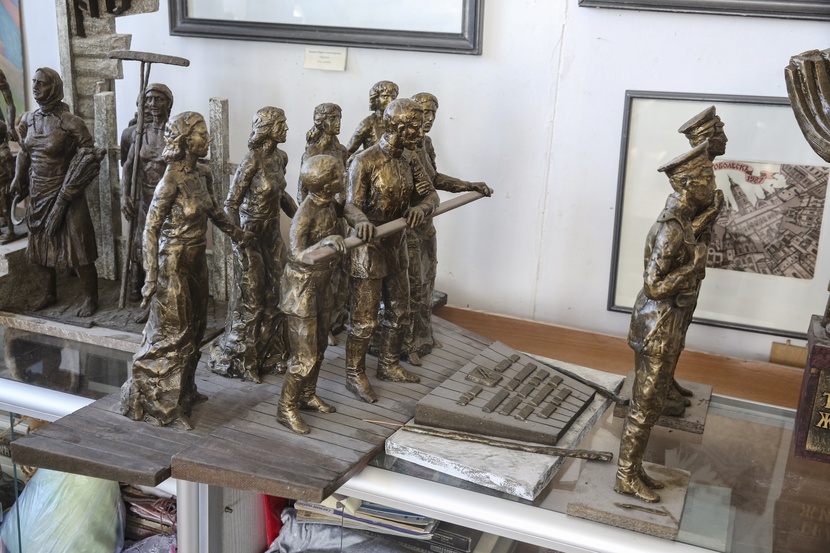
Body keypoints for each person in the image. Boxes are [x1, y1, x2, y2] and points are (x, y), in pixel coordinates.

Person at [121, 111, 252, 429]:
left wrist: (239, 234)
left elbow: (215, 211)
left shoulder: (202, 173)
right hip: (173, 265)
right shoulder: (170, 180)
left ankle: (185, 391)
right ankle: (161, 404)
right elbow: (150, 229)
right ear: (184, 140)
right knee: (173, 335)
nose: (207, 139)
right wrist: (151, 276)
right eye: (201, 134)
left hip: (196, 260)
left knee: (196, 328)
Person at [615, 141, 724, 503]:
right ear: (688, 184)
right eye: (707, 178)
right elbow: (654, 285)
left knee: (650, 404)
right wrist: (692, 269)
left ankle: (633, 469)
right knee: (645, 407)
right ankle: (626, 476)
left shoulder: (681, 219)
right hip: (657, 328)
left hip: (663, 324)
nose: (712, 182)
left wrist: (709, 216)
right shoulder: (671, 228)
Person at [344, 98, 439, 403]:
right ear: (398, 127)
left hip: (396, 245)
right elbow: (350, 205)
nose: (420, 131)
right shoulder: (364, 161)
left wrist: (421, 208)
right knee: (364, 321)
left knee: (399, 311)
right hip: (368, 249)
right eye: (414, 126)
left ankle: (388, 365)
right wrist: (361, 222)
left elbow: (431, 195)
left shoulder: (410, 158)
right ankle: (354, 374)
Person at [278, 154, 374, 434]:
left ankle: (307, 395)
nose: (343, 177)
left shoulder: (331, 202)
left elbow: (349, 209)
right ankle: (285, 408)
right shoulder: (305, 214)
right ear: (325, 184)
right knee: (304, 357)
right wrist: (325, 242)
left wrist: (361, 221)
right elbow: (296, 255)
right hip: (302, 293)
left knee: (319, 348)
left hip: (323, 287)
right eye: (339, 175)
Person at [402, 93, 492, 365]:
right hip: (406, 229)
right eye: (424, 113)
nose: (429, 119)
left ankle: (423, 335)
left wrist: (468, 185)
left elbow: (435, 179)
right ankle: (405, 343)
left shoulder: (425, 144)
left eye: (433, 113)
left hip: (426, 225)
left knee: (428, 280)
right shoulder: (400, 149)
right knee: (411, 286)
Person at [210, 107, 297, 382]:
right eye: (281, 124)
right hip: (251, 236)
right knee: (252, 299)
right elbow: (231, 204)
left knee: (279, 293)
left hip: (272, 236)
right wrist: (239, 239)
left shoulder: (280, 157)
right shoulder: (251, 161)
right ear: (267, 129)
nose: (286, 128)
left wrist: (302, 218)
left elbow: (281, 195)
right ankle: (243, 359)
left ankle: (272, 353)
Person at [11, 67, 101, 317]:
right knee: (39, 247)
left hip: (67, 193)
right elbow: (25, 152)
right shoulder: (28, 120)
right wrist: (18, 177)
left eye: (41, 83)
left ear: (55, 87)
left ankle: (91, 298)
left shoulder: (71, 122)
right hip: (38, 191)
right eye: (34, 82)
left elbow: (89, 155)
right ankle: (49, 293)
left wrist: (72, 186)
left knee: (80, 249)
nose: (35, 87)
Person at [121, 83, 174, 311]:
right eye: (149, 99)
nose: (153, 104)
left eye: (158, 99)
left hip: (169, 202)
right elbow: (128, 166)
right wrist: (125, 195)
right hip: (144, 199)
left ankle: (163, 298)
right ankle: (145, 292)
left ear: (168, 103)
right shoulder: (139, 133)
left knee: (165, 249)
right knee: (142, 245)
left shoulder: (174, 132)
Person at [345, 80, 399, 157]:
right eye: (385, 96)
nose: (390, 101)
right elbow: (347, 152)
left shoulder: (399, 122)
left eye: (393, 97)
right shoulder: (368, 123)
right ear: (375, 99)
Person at [0, 121, 17, 242]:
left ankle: (11, 231)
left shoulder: (4, 153)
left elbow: (11, 173)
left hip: (4, 185)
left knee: (6, 209)